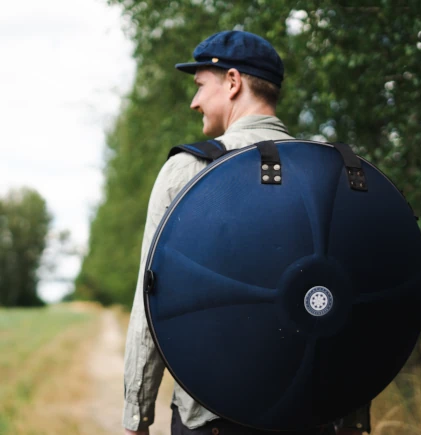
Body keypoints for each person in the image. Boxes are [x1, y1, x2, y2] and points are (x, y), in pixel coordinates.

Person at [123, 30, 371, 435]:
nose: (194, 101)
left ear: (233, 82)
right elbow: (356, 305)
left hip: (211, 419)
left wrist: (137, 416)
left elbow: (149, 302)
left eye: (201, 86)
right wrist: (355, 422)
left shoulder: (189, 171)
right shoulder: (332, 173)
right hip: (315, 415)